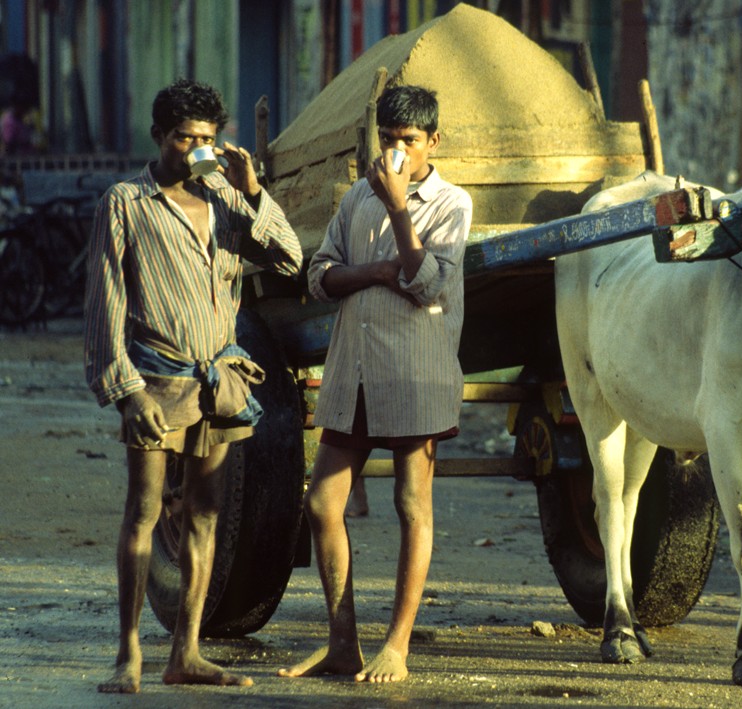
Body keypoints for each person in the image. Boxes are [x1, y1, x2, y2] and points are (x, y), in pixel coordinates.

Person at [84, 78, 302, 693]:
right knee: (146, 513)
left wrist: (253, 189)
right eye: (185, 137)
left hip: (220, 383)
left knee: (205, 517)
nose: (195, 148)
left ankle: (187, 653)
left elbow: (289, 259)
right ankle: (128, 654)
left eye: (206, 138)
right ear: (160, 137)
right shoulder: (126, 202)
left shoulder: (227, 201)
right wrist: (127, 392)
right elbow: (103, 307)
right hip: (156, 380)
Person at [278, 84, 471, 684]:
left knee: (411, 505)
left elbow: (426, 284)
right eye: (388, 140)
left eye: (409, 141)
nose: (397, 151)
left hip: (414, 372)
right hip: (354, 370)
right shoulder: (355, 197)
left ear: (432, 142)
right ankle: (343, 643)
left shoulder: (451, 204)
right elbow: (319, 276)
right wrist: (376, 270)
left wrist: (397, 211)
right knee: (321, 503)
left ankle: (397, 646)